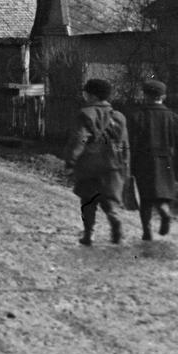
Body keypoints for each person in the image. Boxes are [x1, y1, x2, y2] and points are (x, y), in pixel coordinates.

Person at [65, 77, 130, 245]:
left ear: (92, 95)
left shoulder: (86, 114)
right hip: (113, 165)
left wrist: (71, 161)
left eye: (86, 92)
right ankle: (115, 221)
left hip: (90, 165)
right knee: (108, 198)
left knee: (88, 200)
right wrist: (125, 166)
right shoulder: (119, 117)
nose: (84, 95)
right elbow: (124, 144)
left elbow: (80, 139)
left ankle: (89, 234)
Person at [126, 79, 178, 240]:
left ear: (145, 95)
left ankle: (147, 231)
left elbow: (132, 143)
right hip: (166, 162)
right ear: (163, 96)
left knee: (145, 198)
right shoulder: (174, 118)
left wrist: (128, 164)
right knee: (163, 194)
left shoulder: (138, 116)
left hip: (144, 161)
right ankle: (164, 212)